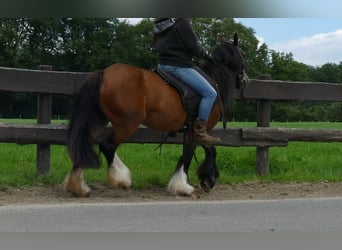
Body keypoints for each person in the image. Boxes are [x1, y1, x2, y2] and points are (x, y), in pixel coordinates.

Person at [153, 18, 221, 144]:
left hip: (162, 66)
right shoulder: (182, 22)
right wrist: (209, 57)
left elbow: (157, 45)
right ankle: (200, 132)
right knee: (210, 93)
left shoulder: (160, 23)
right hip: (179, 67)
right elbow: (194, 47)